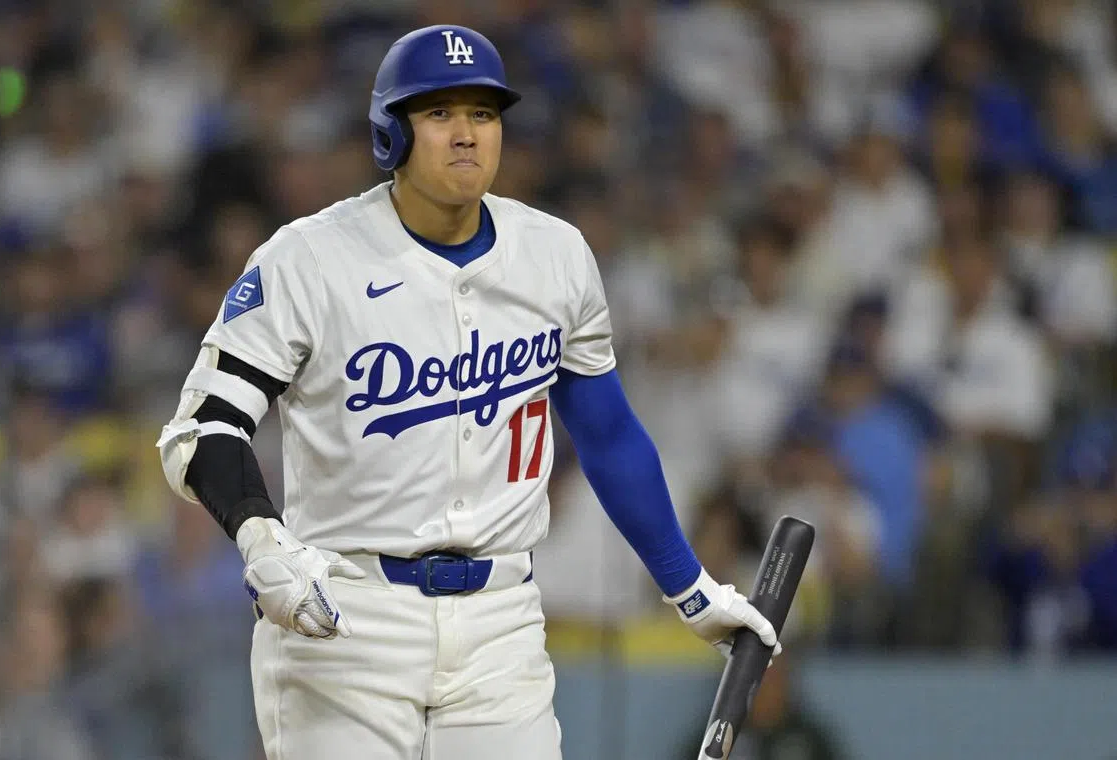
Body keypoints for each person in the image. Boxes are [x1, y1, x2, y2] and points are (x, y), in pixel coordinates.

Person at [156, 25, 779, 760]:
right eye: (440, 113)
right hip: (346, 617)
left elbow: (608, 435)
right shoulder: (308, 260)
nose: (466, 135)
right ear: (391, 133)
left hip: (501, 621)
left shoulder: (555, 256)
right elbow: (204, 427)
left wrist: (690, 588)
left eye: (483, 114)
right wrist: (260, 535)